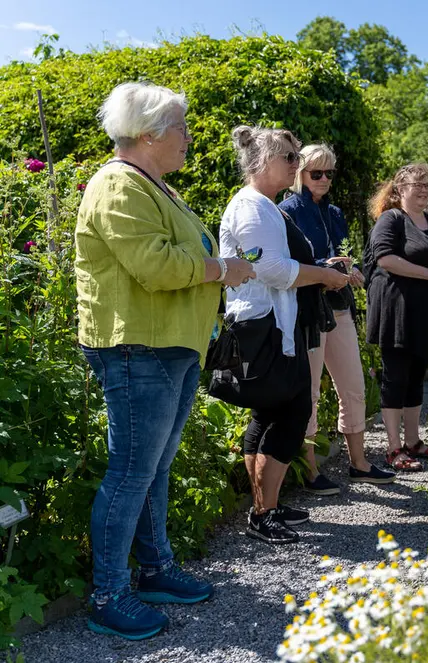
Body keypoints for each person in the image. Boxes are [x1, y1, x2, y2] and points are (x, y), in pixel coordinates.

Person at [76, 82, 256, 639]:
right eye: (181, 126)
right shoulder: (116, 184)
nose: (189, 137)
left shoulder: (156, 187)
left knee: (152, 468)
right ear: (149, 133)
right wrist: (223, 269)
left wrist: (215, 265)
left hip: (168, 345)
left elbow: (182, 255)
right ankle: (108, 594)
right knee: (132, 471)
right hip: (137, 346)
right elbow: (155, 265)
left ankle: (155, 570)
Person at [220, 126, 350, 544]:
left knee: (272, 414)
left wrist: (323, 268)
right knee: (290, 414)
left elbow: (281, 263)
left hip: (274, 324)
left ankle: (266, 508)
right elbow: (273, 269)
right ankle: (263, 513)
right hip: (265, 326)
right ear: (263, 163)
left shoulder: (266, 206)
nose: (297, 165)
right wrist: (326, 276)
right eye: (290, 158)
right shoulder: (253, 208)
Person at [279, 144, 396, 492]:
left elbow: (342, 253)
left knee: (354, 388)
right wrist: (323, 268)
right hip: (308, 310)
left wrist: (352, 268)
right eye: (317, 173)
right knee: (310, 392)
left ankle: (359, 464)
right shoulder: (286, 212)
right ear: (300, 174)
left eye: (330, 173)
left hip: (340, 306)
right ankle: (310, 471)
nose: (325, 179)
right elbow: (286, 264)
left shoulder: (335, 213)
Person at [363, 164, 428, 472]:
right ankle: (393, 448)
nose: (423, 190)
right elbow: (385, 259)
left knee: (416, 376)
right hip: (396, 311)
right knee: (396, 377)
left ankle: (413, 441)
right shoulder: (391, 220)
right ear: (399, 190)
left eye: (426, 185)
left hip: (426, 314)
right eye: (416, 185)